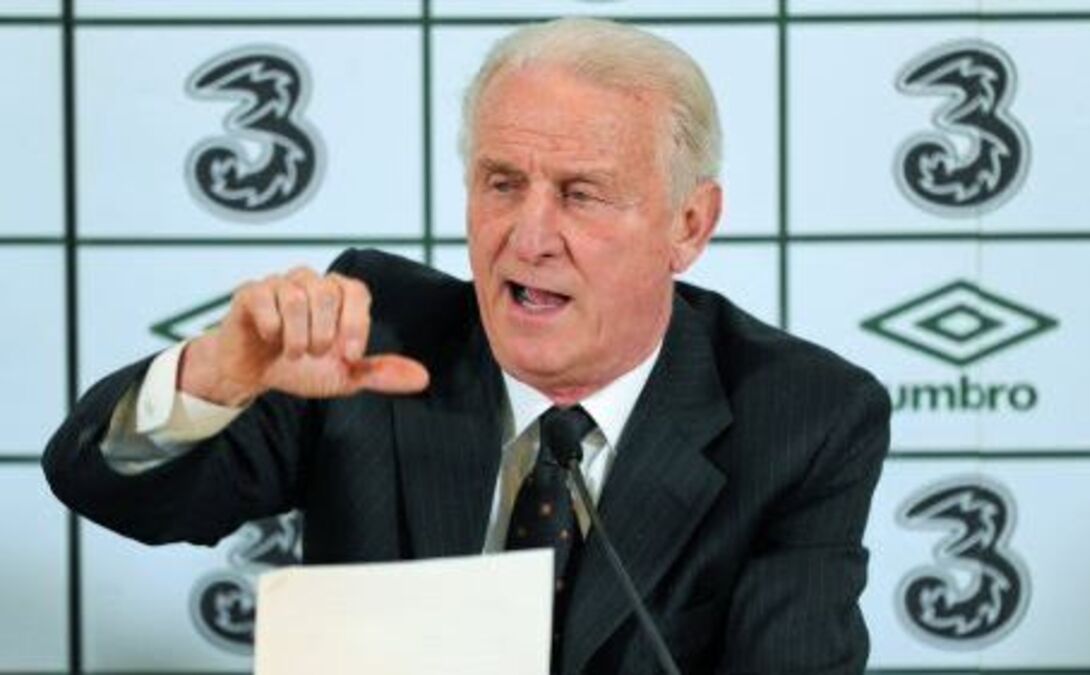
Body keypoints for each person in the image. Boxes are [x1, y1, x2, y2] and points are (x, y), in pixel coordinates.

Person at [44, 17, 891, 674]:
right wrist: (219, 375)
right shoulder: (373, 340)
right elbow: (100, 482)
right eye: (502, 183)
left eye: (581, 194)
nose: (529, 236)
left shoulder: (802, 417)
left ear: (690, 224)